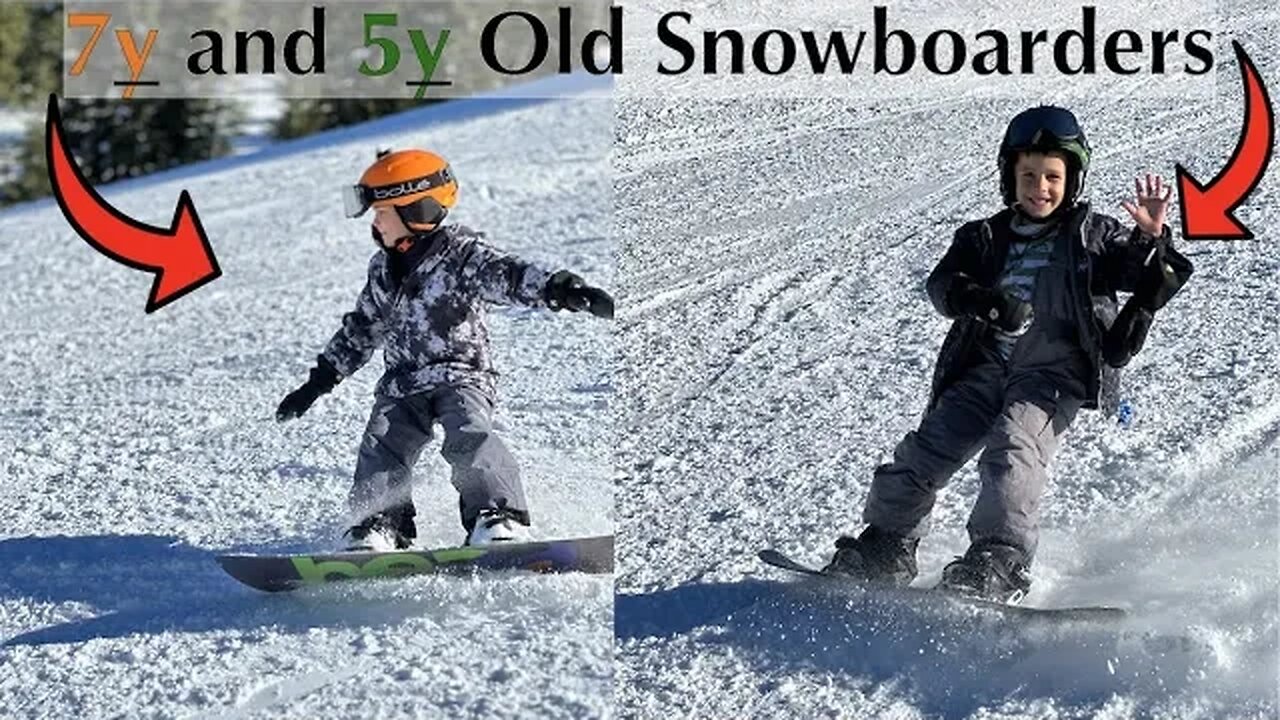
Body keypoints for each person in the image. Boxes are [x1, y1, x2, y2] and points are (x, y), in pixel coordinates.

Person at [823, 106, 1193, 603]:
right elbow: (943, 285)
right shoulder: (984, 237)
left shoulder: (1093, 235)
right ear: (1009, 177)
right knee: (926, 448)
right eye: (1028, 175)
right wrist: (983, 300)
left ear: (1073, 181)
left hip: (1052, 376)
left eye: (1053, 177)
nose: (1040, 187)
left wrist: (1149, 238)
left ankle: (1000, 558)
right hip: (985, 368)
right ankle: (886, 545)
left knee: (1013, 448)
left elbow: (1135, 273)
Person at [276, 148, 614, 551]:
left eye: (382, 212)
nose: (375, 221)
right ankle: (379, 523)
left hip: (461, 374)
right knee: (382, 443)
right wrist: (317, 383)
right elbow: (362, 328)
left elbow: (510, 276)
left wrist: (566, 291)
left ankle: (498, 515)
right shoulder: (382, 270)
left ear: (417, 209)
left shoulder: (462, 257)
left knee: (469, 435)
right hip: (402, 383)